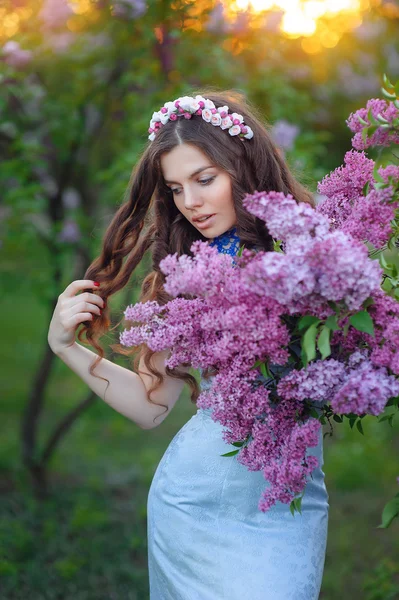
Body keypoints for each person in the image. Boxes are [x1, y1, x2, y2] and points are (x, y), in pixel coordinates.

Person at [48, 90, 329, 599]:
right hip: (195, 503)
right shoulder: (184, 273)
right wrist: (67, 347)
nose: (191, 203)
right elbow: (152, 406)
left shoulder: (313, 247)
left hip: (293, 496)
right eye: (176, 189)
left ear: (244, 167)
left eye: (205, 180)